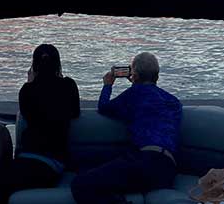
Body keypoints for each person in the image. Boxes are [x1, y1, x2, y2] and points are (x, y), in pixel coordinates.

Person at [71, 52, 182, 204]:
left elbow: (104, 107)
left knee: (80, 184)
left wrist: (107, 85)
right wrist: (137, 83)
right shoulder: (174, 102)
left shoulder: (133, 95)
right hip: (167, 170)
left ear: (133, 75)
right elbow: (151, 106)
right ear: (157, 76)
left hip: (143, 162)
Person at [5, 44, 80, 196]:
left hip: (28, 155)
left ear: (34, 65)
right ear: (58, 63)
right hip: (54, 160)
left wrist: (29, 83)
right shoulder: (69, 85)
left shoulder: (27, 90)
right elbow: (75, 113)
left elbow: (26, 114)